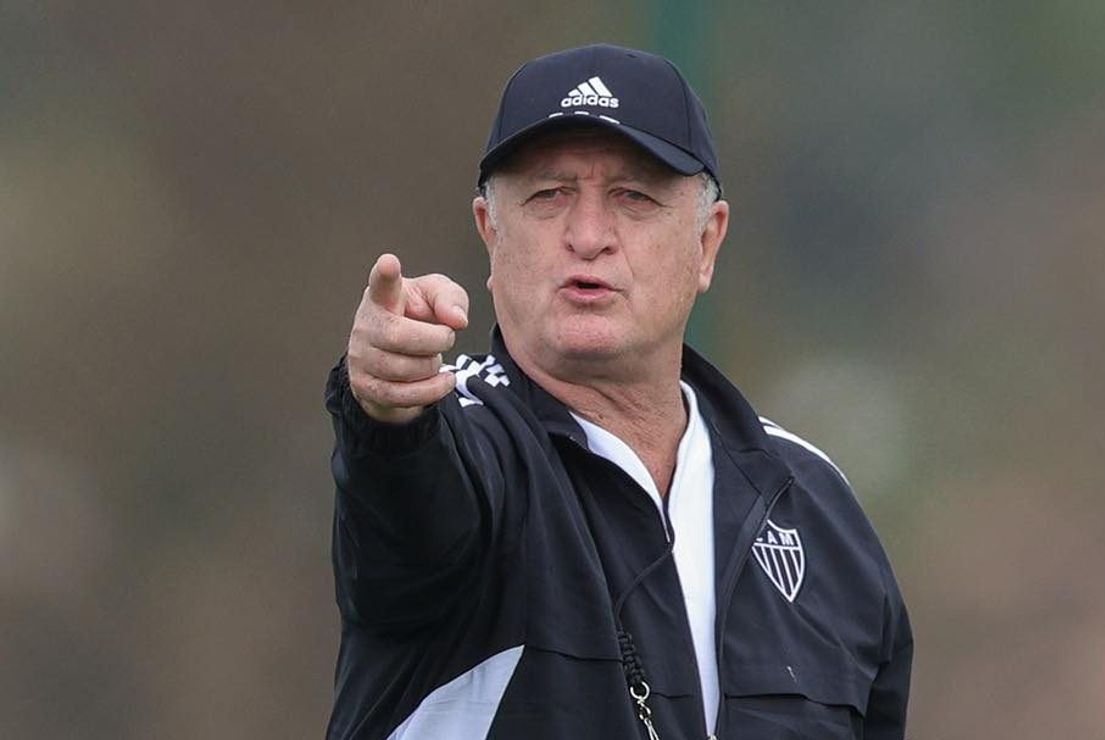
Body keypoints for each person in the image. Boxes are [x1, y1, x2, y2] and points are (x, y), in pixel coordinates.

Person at [324, 43, 912, 740]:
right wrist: (387, 407)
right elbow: (406, 503)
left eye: (634, 196)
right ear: (491, 234)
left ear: (707, 244)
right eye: (549, 194)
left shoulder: (815, 508)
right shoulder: (465, 449)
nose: (588, 235)